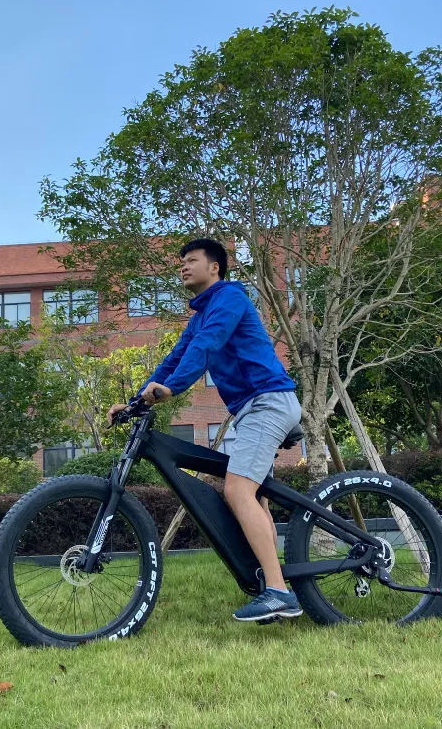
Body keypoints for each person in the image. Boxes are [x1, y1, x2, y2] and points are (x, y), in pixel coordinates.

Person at [106, 238, 303, 622]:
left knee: (237, 489)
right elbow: (174, 358)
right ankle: (271, 578)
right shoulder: (198, 317)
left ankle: (279, 593)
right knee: (256, 497)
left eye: (191, 260)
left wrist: (172, 389)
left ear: (215, 267)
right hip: (250, 410)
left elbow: (207, 348)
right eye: (180, 262)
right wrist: (134, 402)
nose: (182, 266)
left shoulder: (229, 299)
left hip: (268, 402)